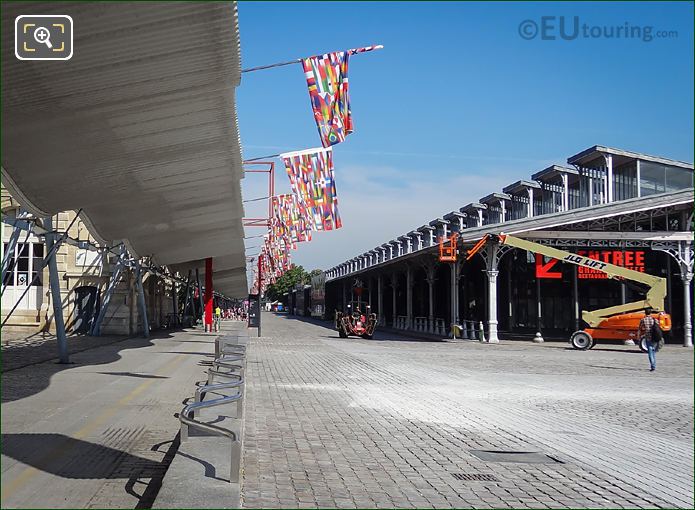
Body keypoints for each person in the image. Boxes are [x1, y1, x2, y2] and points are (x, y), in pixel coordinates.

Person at [638, 307, 657, 371]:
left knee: (650, 351)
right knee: (653, 350)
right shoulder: (654, 319)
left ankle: (653, 366)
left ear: (645, 312)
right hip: (654, 336)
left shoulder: (643, 320)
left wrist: (638, 336)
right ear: (650, 312)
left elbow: (640, 329)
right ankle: (654, 364)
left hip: (647, 336)